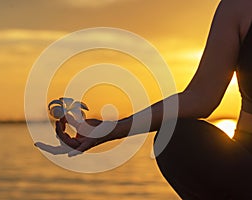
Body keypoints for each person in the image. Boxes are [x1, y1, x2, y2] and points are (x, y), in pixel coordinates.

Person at [36, 0, 252, 198]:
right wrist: (111, 129)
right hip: (246, 164)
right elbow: (200, 98)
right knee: (178, 137)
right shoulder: (238, 8)